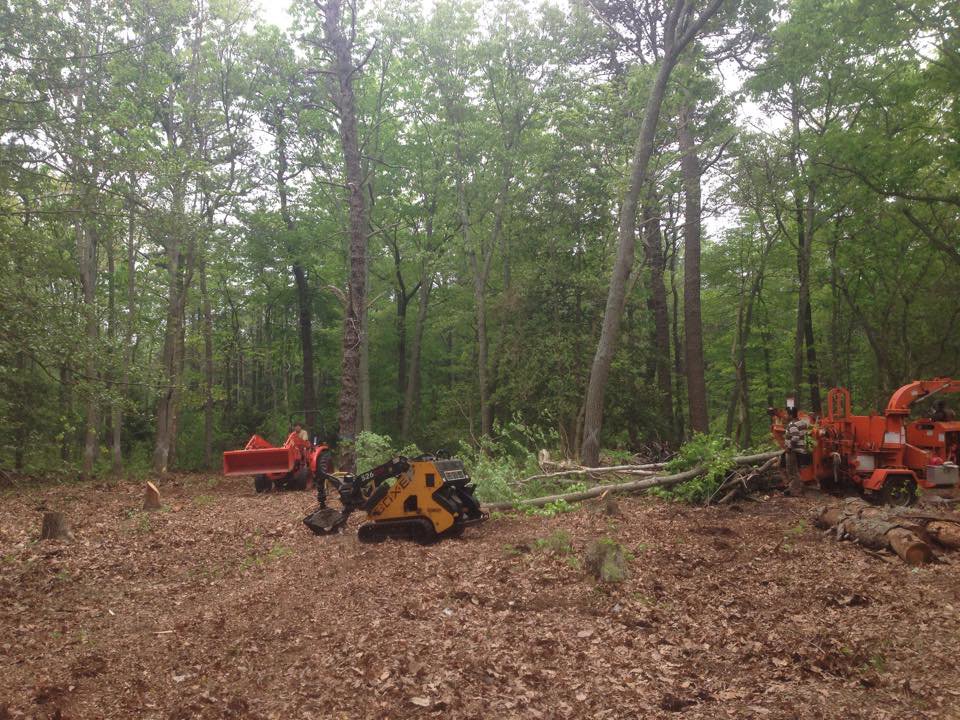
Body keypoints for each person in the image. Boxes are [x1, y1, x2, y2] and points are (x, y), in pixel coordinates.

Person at [783, 407, 809, 496]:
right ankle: (795, 488)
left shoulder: (792, 425)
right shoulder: (802, 423)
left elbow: (795, 437)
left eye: (786, 414)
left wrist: (789, 447)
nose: (785, 416)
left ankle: (796, 491)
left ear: (790, 415)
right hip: (801, 449)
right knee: (795, 471)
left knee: (792, 471)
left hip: (793, 450)